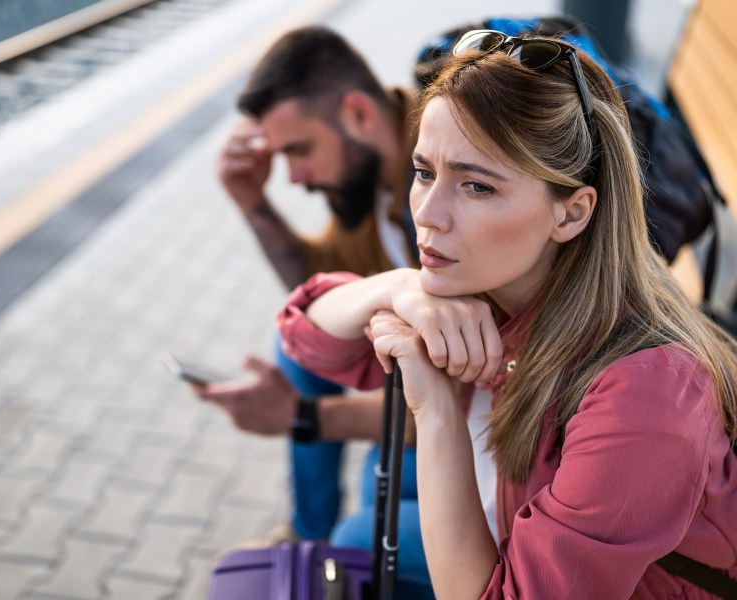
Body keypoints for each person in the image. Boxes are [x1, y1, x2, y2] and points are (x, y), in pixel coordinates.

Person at [277, 29, 737, 598]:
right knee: (366, 518)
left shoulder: (645, 396)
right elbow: (305, 337)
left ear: (570, 215)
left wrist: (438, 413)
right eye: (424, 172)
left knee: (358, 531)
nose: (427, 215)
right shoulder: (490, 289)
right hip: (512, 513)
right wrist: (398, 289)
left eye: (476, 186)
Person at [193, 26, 421, 545]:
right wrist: (252, 202)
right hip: (431, 386)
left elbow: (459, 402)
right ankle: (308, 537)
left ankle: (335, 552)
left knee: (365, 525)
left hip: (504, 431)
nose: (292, 176)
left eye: (299, 149)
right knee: (296, 346)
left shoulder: (442, 183)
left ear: (359, 115)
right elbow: (316, 289)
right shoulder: (371, 184)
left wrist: (299, 415)